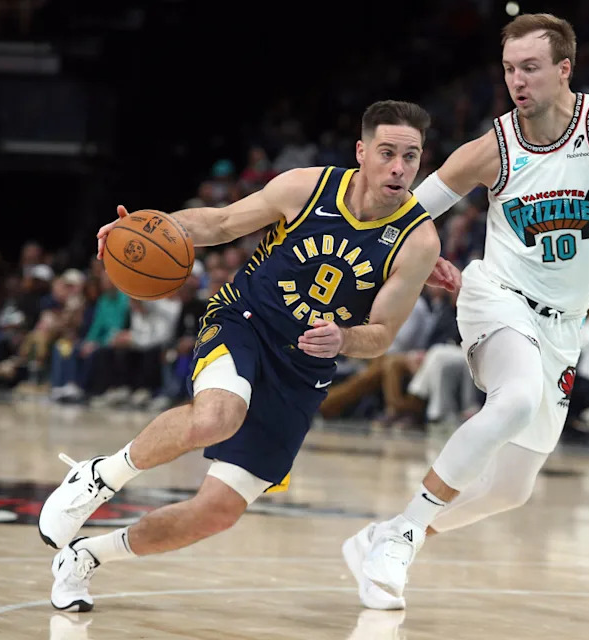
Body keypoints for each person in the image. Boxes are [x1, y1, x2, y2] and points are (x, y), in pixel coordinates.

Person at [36, 100, 452, 612]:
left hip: (303, 371)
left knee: (216, 513)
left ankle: (87, 558)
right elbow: (220, 222)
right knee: (217, 416)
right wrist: (146, 228)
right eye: (387, 153)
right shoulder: (308, 187)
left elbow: (383, 332)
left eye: (410, 157)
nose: (399, 168)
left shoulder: (418, 239)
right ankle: (99, 478)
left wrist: (345, 339)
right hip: (245, 321)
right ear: (362, 152)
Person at [343, 13, 589, 609]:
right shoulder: (493, 147)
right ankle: (400, 536)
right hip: (497, 297)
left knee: (511, 490)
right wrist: (422, 256)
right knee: (518, 397)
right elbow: (412, 210)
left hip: (564, 327)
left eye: (530, 67)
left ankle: (392, 534)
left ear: (563, 69)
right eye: (508, 69)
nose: (517, 80)